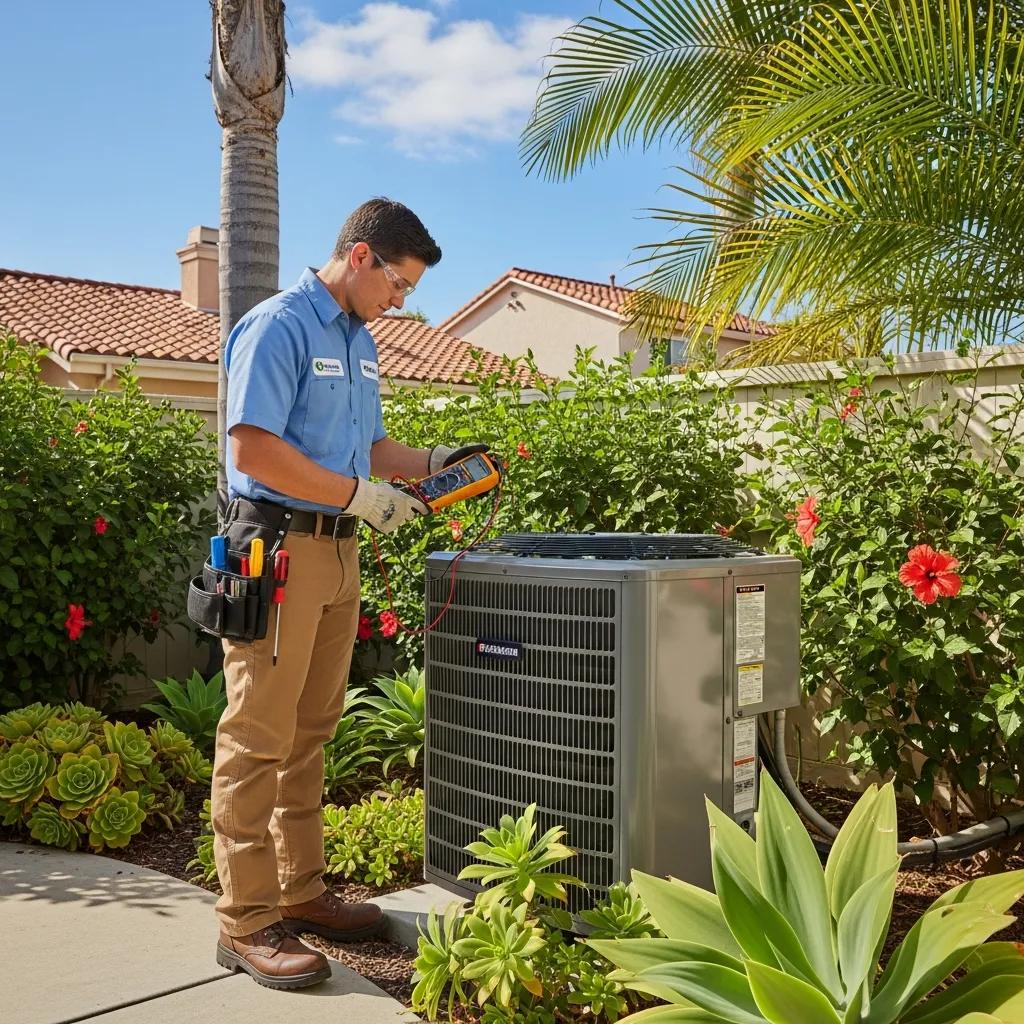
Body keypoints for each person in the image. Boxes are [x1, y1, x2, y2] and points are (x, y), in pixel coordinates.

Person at [211, 197, 488, 990]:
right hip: (277, 549)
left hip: (337, 555)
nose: (401, 300)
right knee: (258, 731)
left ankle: (299, 891)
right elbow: (256, 448)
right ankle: (244, 920)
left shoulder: (360, 342)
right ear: (361, 257)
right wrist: (360, 496)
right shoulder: (279, 325)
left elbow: (369, 447)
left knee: (311, 729)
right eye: (398, 283)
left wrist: (433, 457)